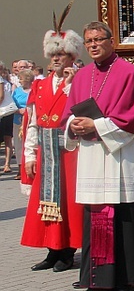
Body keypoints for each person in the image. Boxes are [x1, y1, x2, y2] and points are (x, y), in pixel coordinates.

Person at [63, 21, 134, 291]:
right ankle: (95, 276)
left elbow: (133, 116)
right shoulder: (81, 75)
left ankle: (124, 278)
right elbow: (69, 114)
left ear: (111, 42)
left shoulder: (127, 72)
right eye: (89, 41)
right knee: (95, 215)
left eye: (99, 39)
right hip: (92, 154)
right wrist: (74, 126)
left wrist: (97, 127)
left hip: (120, 155)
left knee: (122, 215)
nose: (93, 45)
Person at [20, 20, 85, 273]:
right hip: (46, 152)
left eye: (62, 54)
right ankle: (52, 250)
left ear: (71, 56)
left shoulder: (78, 83)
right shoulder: (39, 84)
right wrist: (29, 155)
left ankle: (67, 252)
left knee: (68, 204)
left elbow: (80, 111)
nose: (57, 59)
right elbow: (32, 122)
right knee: (47, 203)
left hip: (69, 152)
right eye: (54, 54)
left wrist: (71, 85)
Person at [12, 70, 34, 178]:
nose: (20, 81)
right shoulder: (17, 91)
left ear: (28, 79)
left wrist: (29, 110)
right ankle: (20, 169)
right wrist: (18, 110)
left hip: (31, 120)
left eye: (21, 78)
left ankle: (30, 167)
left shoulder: (34, 90)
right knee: (18, 145)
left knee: (30, 143)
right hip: (18, 121)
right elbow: (12, 105)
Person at [0, 63, 14, 173]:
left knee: (7, 138)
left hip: (4, 112)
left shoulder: (2, 80)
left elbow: (1, 96)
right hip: (5, 112)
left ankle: (7, 164)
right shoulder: (7, 81)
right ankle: (6, 164)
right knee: (7, 139)